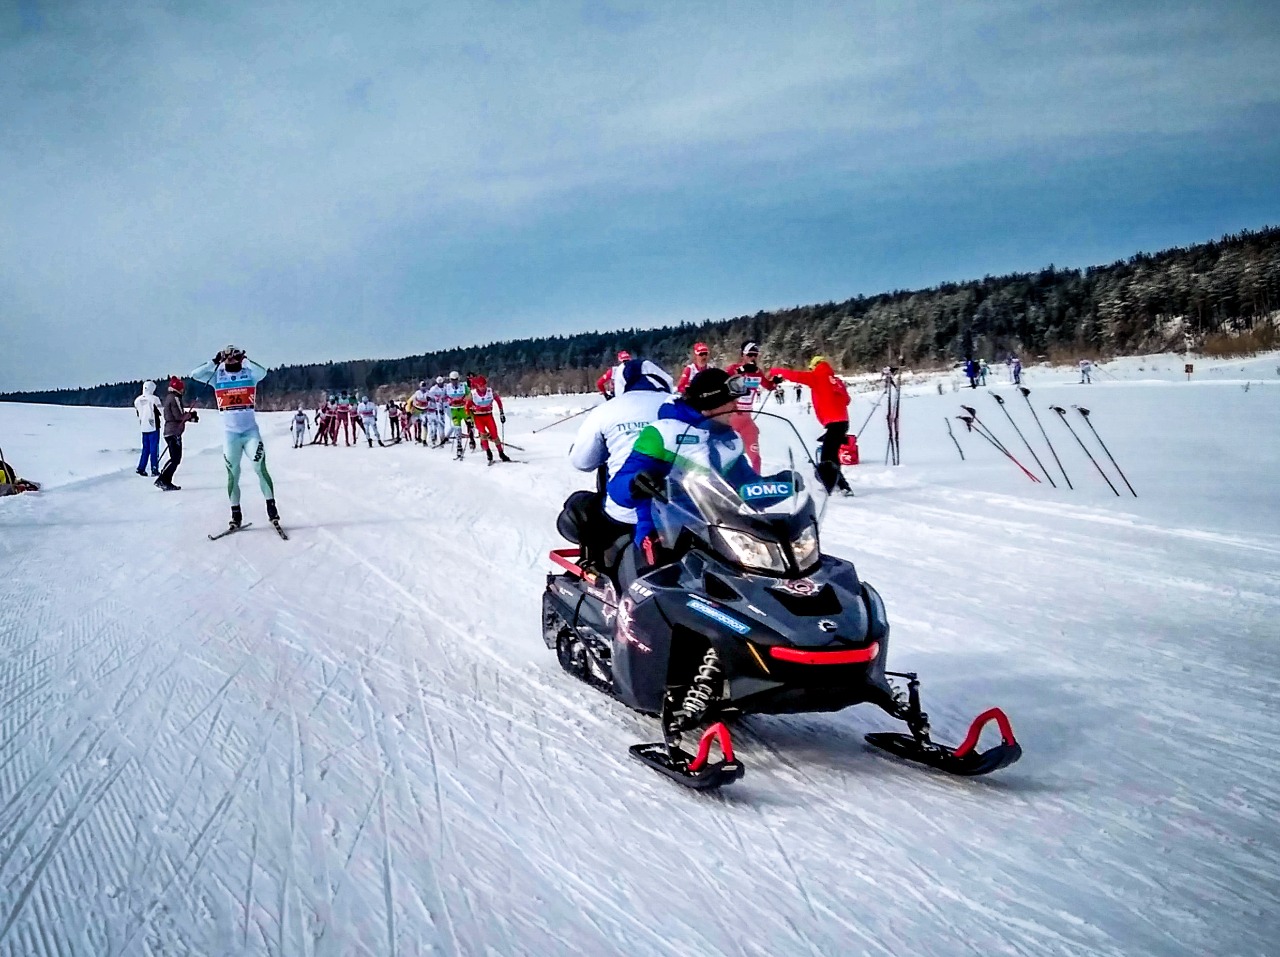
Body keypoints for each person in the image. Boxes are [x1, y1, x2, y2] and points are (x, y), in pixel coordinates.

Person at [611, 369, 757, 573]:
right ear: (711, 402)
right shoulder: (664, 434)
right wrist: (635, 483)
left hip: (723, 530)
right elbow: (617, 488)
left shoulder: (730, 440)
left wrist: (788, 484)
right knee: (666, 591)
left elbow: (749, 489)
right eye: (729, 400)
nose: (736, 407)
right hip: (666, 533)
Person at [564, 359, 674, 573]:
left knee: (579, 507)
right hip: (685, 510)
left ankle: (598, 566)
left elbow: (582, 461)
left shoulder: (607, 410)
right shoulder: (680, 405)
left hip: (626, 512)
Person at [189, 345, 280, 530]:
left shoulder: (250, 374)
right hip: (231, 435)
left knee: (259, 468)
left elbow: (262, 372)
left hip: (250, 433)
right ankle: (235, 515)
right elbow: (195, 374)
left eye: (234, 357)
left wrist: (244, 358)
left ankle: (272, 510)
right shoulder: (217, 376)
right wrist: (214, 361)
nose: (230, 360)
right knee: (233, 474)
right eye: (227, 357)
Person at [768, 356, 853, 494]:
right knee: (831, 454)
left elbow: (795, 376)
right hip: (843, 422)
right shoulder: (836, 380)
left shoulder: (817, 377)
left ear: (814, 367)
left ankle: (837, 485)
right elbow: (847, 400)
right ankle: (836, 483)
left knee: (827, 456)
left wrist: (775, 370)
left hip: (833, 422)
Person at [723, 341, 778, 471]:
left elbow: (768, 386)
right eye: (750, 355)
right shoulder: (734, 368)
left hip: (747, 420)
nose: (752, 358)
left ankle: (756, 483)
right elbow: (722, 381)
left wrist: (775, 382)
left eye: (755, 355)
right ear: (743, 355)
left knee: (755, 457)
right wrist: (742, 371)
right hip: (731, 418)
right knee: (731, 458)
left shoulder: (757, 372)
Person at [156, 376, 197, 490]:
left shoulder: (170, 397)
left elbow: (177, 415)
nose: (183, 391)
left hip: (171, 430)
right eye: (182, 388)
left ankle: (164, 480)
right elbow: (179, 416)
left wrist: (189, 417)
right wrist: (190, 416)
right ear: (178, 389)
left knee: (175, 458)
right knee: (175, 458)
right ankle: (163, 480)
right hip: (173, 432)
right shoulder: (175, 398)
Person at [465, 375, 511, 464]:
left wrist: (501, 412)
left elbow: (498, 400)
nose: (483, 388)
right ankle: (488, 453)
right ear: (477, 386)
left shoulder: (490, 392)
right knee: (483, 434)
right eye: (481, 386)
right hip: (478, 417)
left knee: (494, 434)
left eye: (484, 385)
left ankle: (501, 453)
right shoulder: (472, 394)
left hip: (488, 416)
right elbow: (467, 406)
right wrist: (468, 418)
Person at [133, 380, 163, 476]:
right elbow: (161, 411)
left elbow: (138, 413)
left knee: (145, 448)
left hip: (143, 426)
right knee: (154, 448)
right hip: (154, 426)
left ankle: (141, 467)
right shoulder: (154, 399)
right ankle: (154, 468)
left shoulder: (137, 400)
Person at [443, 371, 474, 451]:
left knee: (469, 424)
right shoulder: (447, 387)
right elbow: (443, 397)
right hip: (454, 410)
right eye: (452, 380)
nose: (454, 381)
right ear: (450, 379)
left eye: (456, 379)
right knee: (457, 428)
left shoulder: (463, 386)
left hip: (464, 409)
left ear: (458, 379)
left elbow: (470, 396)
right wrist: (449, 400)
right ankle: (459, 445)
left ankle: (471, 440)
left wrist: (465, 400)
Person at [427, 376, 449, 447]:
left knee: (448, 423)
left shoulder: (446, 387)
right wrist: (435, 401)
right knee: (440, 423)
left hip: (447, 406)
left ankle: (445, 437)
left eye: (441, 383)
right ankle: (441, 438)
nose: (441, 384)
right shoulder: (434, 389)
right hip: (438, 408)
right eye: (439, 383)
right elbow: (428, 397)